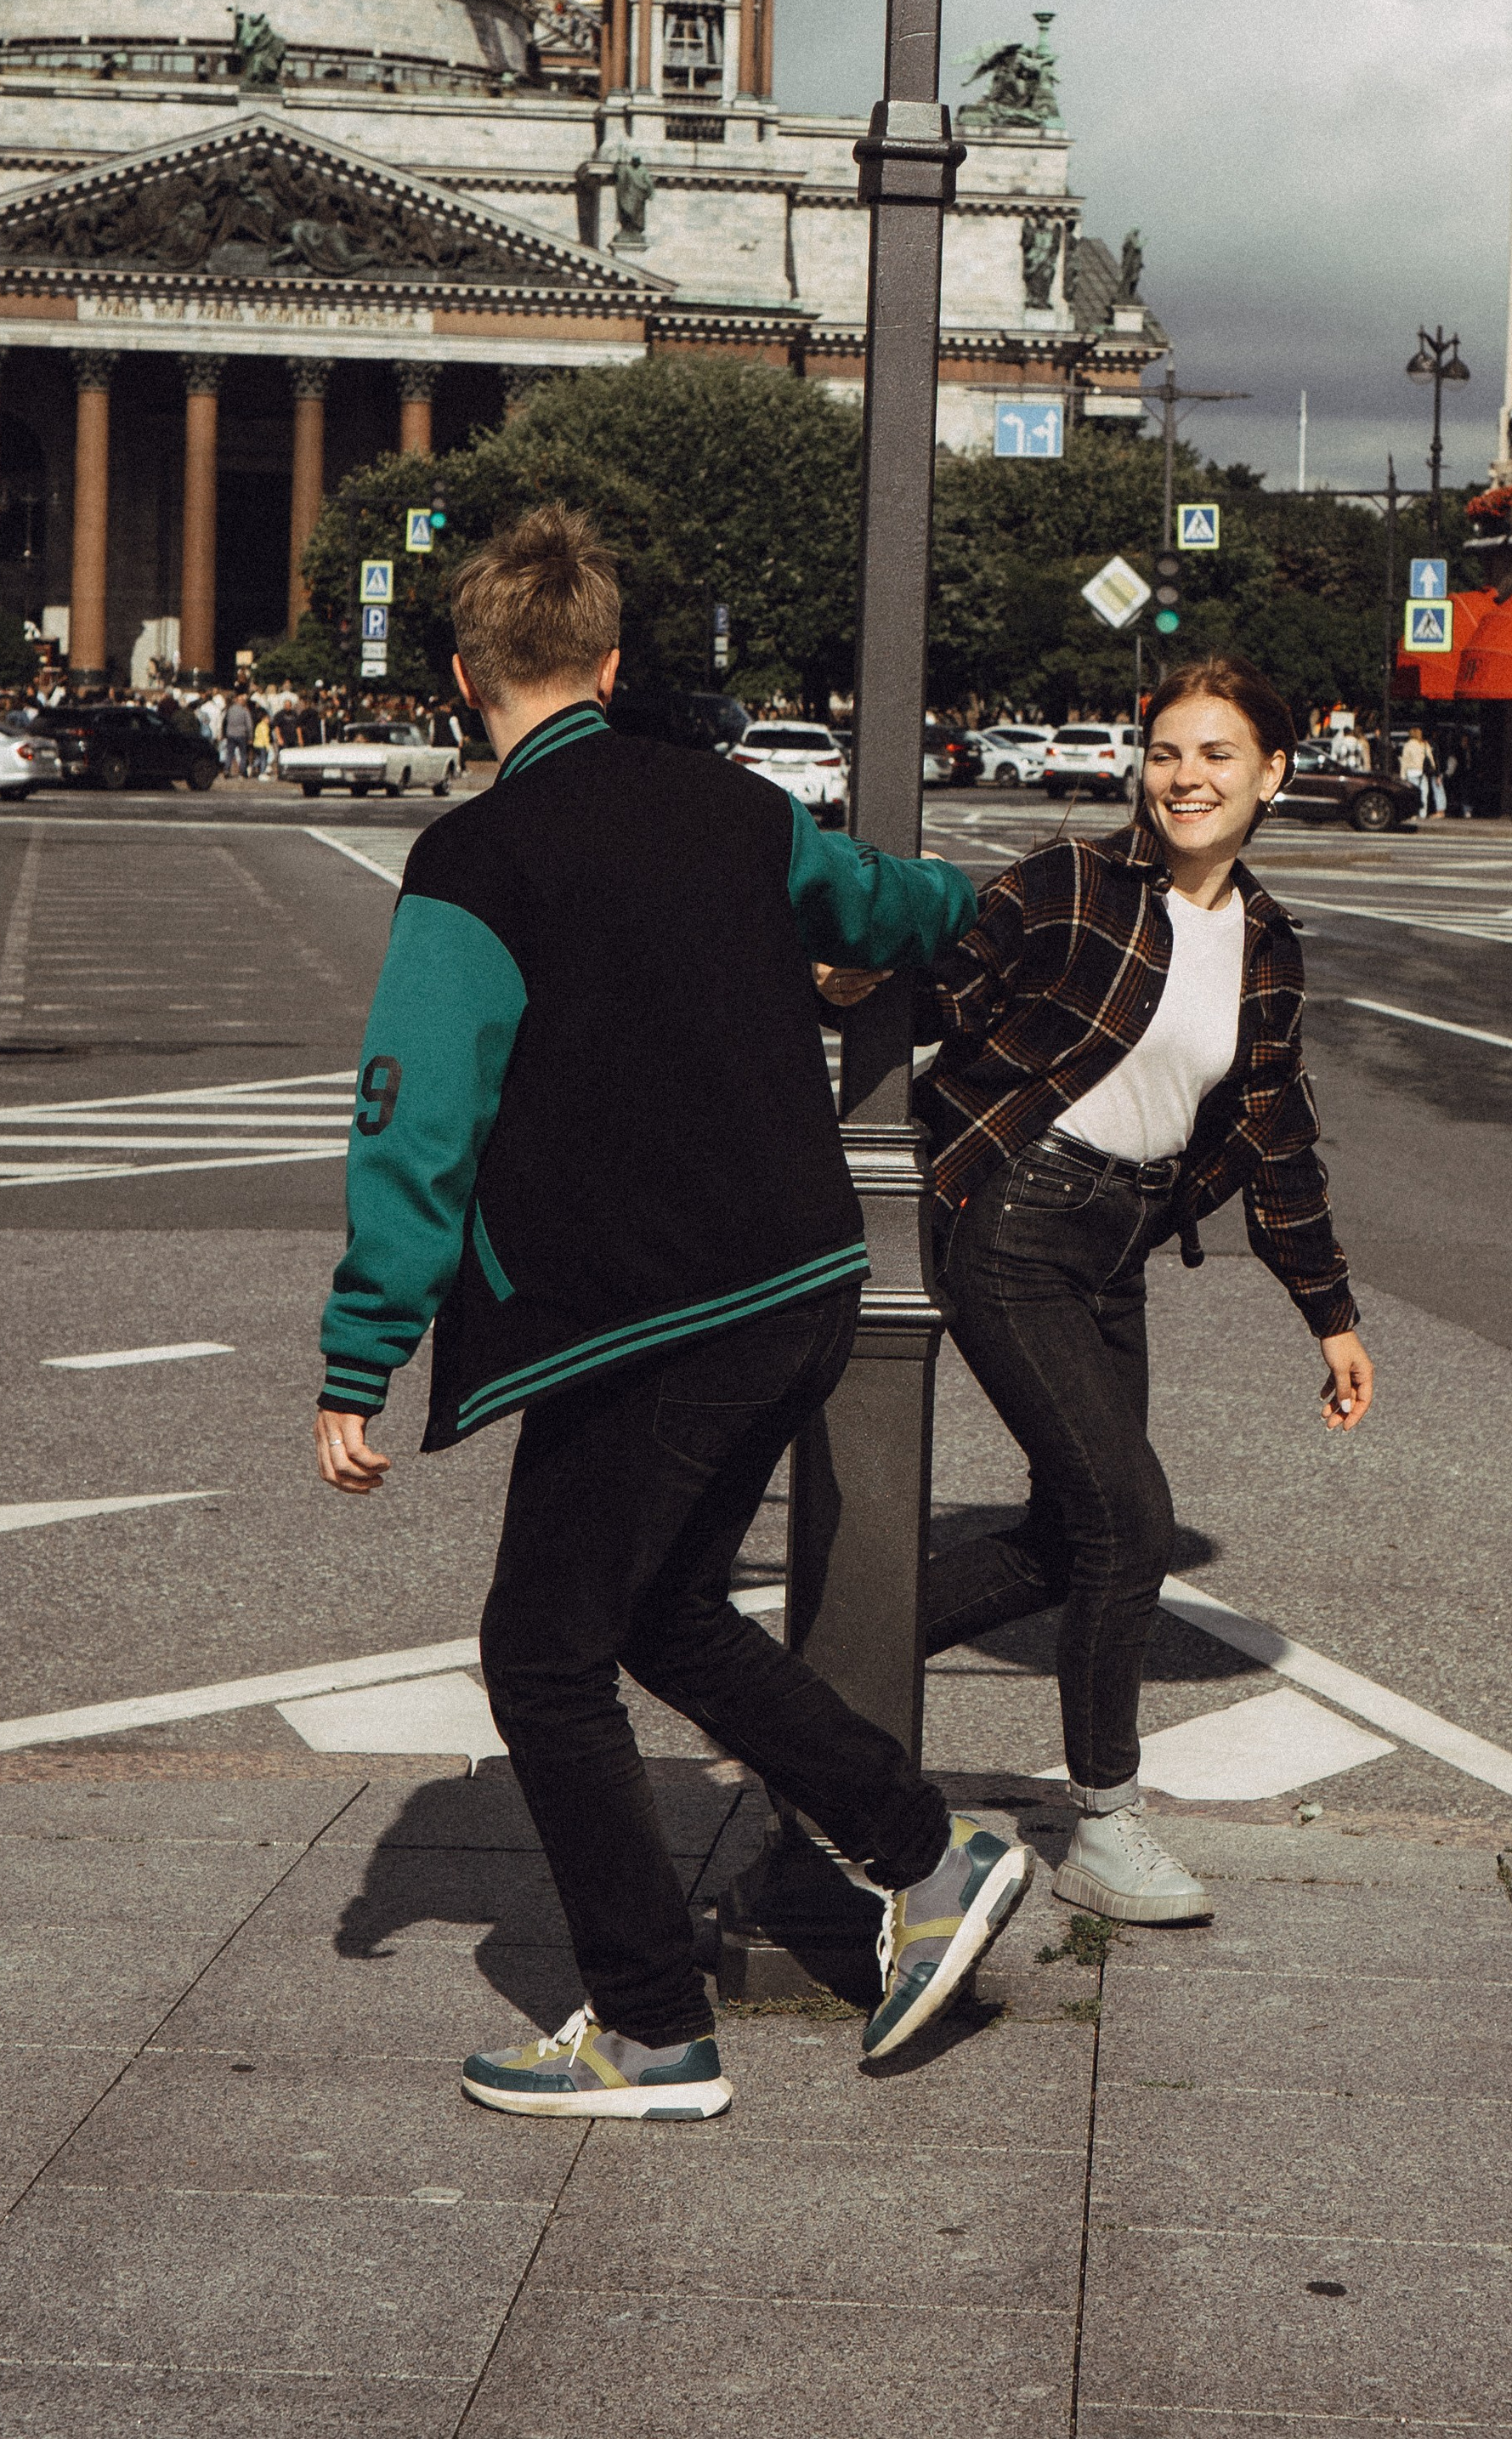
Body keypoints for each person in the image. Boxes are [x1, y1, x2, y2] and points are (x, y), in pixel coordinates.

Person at [312, 506, 1030, 2113]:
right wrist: (977, 918)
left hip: (635, 1311)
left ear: (459, 678)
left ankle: (651, 2027)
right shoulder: (731, 805)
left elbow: (413, 1115)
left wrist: (363, 1353)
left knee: (541, 1658)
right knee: (663, 1612)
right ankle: (927, 1857)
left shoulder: (477, 856)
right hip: (795, 1277)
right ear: (615, 664)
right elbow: (885, 906)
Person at [913, 657, 1373, 1929]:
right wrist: (851, 971)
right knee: (1133, 1522)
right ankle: (1106, 1828)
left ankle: (838, 1655)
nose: (1188, 778)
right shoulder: (1072, 885)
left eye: (1218, 755)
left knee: (1076, 1537)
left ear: (1272, 774)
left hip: (1116, 1243)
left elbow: (1276, 1136)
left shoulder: (1267, 943)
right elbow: (946, 970)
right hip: (1016, 1221)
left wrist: (1328, 1313)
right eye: (1168, 752)